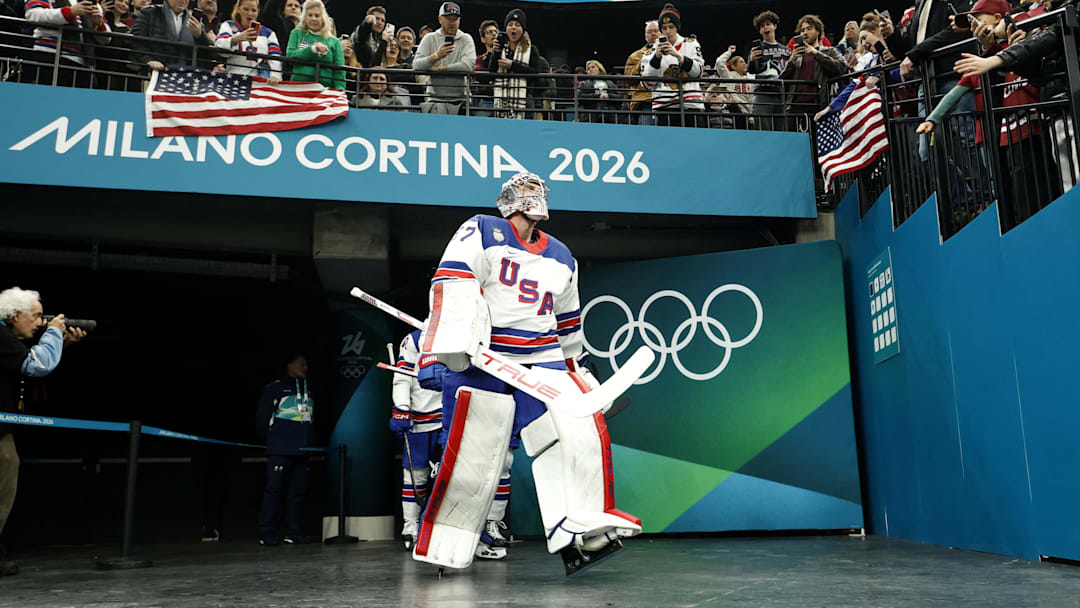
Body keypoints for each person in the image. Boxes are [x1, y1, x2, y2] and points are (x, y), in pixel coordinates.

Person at [412, 172, 642, 573]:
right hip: (486, 356)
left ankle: (579, 532)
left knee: (574, 435)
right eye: (526, 191)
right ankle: (448, 539)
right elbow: (452, 280)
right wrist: (443, 353)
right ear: (509, 199)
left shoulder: (561, 254)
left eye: (538, 191)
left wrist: (575, 367)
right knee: (472, 453)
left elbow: (568, 318)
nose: (534, 198)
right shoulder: (481, 229)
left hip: (542, 358)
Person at [0, 287, 85, 577]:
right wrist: (53, 333)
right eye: (35, 317)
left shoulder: (5, 338)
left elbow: (23, 366)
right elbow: (36, 365)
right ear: (14, 315)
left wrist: (61, 342)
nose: (39, 324)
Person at [389, 330, 443, 551]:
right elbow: (401, 378)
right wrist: (402, 408)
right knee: (415, 478)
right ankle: (411, 527)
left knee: (452, 476)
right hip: (419, 420)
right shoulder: (415, 338)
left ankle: (447, 528)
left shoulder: (464, 331)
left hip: (449, 415)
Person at [255, 352, 315, 545]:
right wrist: (273, 442)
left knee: (297, 494)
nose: (305, 368)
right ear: (290, 366)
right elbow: (262, 419)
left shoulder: (310, 389)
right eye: (302, 364)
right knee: (274, 492)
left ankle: (293, 532)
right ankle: (266, 534)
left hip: (303, 451)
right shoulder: (275, 388)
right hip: (280, 450)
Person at [641, 3, 705, 127]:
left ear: (677, 27)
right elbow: (647, 84)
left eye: (671, 27)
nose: (668, 31)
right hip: (664, 108)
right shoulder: (650, 52)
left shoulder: (691, 44)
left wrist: (678, 56)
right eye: (664, 28)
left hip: (691, 106)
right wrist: (657, 58)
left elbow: (698, 73)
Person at [22, 0, 110, 88]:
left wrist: (98, 24)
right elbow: (32, 14)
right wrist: (69, 12)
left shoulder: (92, 3)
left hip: (83, 62)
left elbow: (106, 39)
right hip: (51, 56)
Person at [779, 14, 847, 127]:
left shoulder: (829, 51)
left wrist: (816, 53)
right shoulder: (796, 56)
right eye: (802, 30)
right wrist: (791, 62)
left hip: (818, 106)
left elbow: (842, 68)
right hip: (794, 108)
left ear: (818, 32)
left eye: (809, 29)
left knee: (817, 144)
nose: (804, 33)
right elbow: (782, 81)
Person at [412, 2, 476, 115]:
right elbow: (416, 65)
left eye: (455, 19)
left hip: (461, 100)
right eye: (448, 18)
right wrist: (436, 56)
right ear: (440, 19)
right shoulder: (429, 38)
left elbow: (467, 66)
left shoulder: (466, 39)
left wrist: (440, 69)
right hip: (434, 99)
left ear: (459, 20)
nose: (452, 22)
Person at [486, 8, 542, 120]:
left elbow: (535, 73)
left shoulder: (532, 50)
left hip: (524, 100)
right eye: (510, 24)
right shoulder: (499, 48)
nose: (513, 27)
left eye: (517, 25)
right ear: (505, 28)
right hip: (501, 99)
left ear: (523, 29)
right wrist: (496, 54)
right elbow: (491, 74)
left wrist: (513, 65)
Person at [132, 0, 213, 73]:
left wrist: (199, 36)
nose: (183, 1)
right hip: (153, 73)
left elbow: (204, 54)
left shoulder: (196, 24)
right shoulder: (150, 12)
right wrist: (148, 60)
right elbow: (136, 41)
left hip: (184, 75)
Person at [214, 0, 283, 83]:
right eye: (246, 9)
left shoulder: (268, 33)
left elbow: (275, 57)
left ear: (258, 12)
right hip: (234, 79)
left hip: (259, 83)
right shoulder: (229, 25)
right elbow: (219, 47)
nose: (250, 13)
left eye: (253, 10)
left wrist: (275, 76)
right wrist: (236, 39)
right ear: (238, 9)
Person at [747, 10, 791, 130]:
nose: (765, 27)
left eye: (768, 24)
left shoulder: (786, 50)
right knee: (763, 131)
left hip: (782, 95)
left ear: (774, 26)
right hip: (763, 94)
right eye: (762, 26)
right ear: (760, 31)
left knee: (783, 131)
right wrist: (752, 60)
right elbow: (751, 70)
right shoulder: (756, 49)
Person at [286, 0, 343, 89]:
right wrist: (312, 49)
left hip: (325, 89)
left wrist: (340, 90)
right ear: (304, 17)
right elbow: (290, 56)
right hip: (298, 86)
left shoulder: (334, 41)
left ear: (323, 18)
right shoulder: (296, 33)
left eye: (317, 15)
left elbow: (339, 71)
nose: (313, 19)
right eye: (310, 15)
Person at [624, 20, 661, 126]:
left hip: (670, 100)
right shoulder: (635, 56)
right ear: (645, 36)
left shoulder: (672, 51)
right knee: (648, 136)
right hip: (646, 100)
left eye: (656, 31)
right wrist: (643, 61)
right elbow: (629, 80)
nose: (653, 34)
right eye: (649, 32)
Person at [577, 59, 616, 124]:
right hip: (589, 117)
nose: (590, 69)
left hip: (608, 117)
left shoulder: (610, 83)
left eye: (593, 67)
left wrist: (609, 96)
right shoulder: (584, 83)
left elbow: (619, 96)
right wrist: (598, 96)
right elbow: (579, 97)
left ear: (600, 69)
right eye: (588, 68)